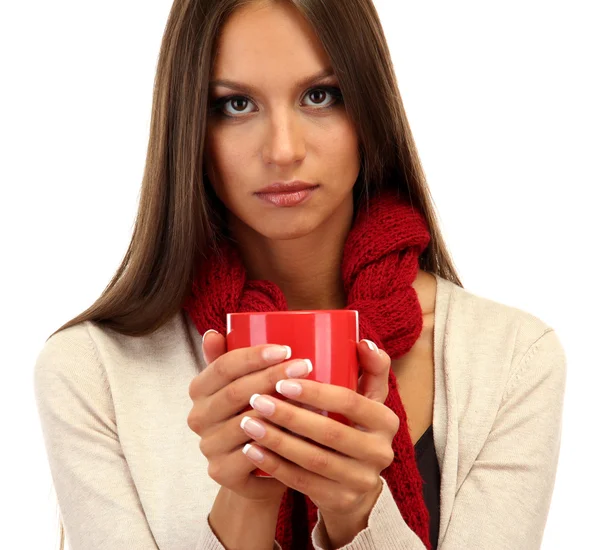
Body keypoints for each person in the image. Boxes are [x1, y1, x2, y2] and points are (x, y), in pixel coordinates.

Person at [33, 0, 567, 549]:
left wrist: (359, 511)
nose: (283, 150)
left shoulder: (512, 358)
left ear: (369, 109)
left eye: (321, 96)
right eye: (236, 104)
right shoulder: (90, 374)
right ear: (189, 125)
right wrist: (248, 496)